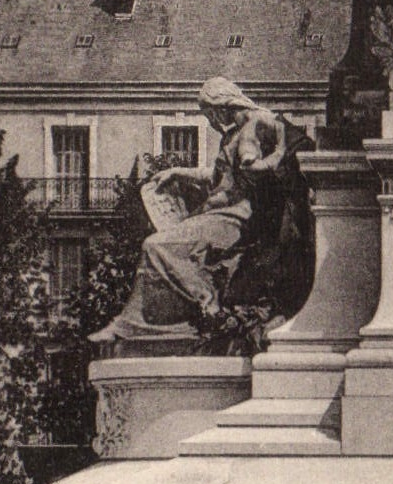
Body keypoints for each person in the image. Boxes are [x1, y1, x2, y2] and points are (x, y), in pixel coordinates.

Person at [92, 77, 306, 343]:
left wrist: (276, 153)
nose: (210, 122)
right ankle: (176, 316)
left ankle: (190, 309)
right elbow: (221, 177)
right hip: (218, 214)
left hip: (237, 219)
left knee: (155, 245)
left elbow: (254, 165)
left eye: (208, 114)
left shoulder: (252, 126)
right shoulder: (234, 134)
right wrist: (179, 172)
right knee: (161, 244)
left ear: (220, 106)